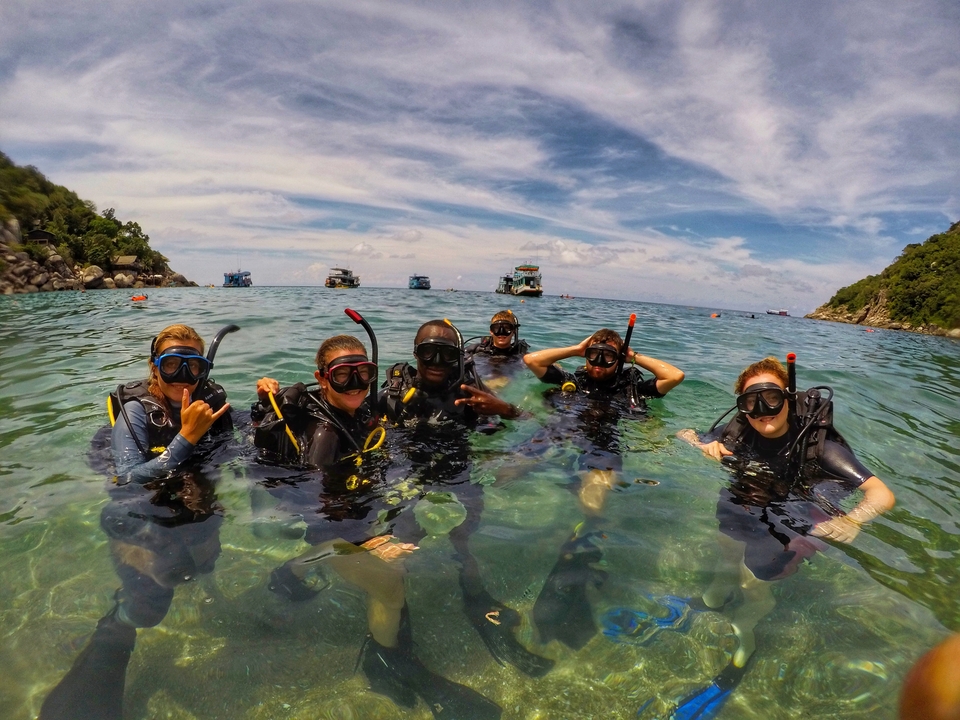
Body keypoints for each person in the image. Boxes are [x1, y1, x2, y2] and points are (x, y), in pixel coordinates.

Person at [251, 330, 503, 720]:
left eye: (363, 373)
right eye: (342, 375)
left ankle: (293, 575)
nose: (355, 384)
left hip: (353, 515)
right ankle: (386, 662)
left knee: (396, 565)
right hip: (332, 529)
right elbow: (318, 513)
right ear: (322, 378)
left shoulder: (352, 413)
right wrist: (369, 543)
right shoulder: (326, 434)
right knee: (390, 584)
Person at [673, 356, 895, 718]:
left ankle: (746, 641)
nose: (762, 411)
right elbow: (685, 433)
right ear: (741, 407)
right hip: (747, 499)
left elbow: (881, 494)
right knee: (726, 549)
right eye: (750, 402)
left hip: (796, 515)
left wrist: (854, 520)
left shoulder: (820, 448)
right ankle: (711, 600)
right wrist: (702, 447)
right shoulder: (740, 431)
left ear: (788, 398)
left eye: (771, 398)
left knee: (751, 583)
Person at [40, 324, 235, 720]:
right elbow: (127, 477)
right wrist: (187, 438)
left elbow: (249, 431)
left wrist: (272, 399)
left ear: (204, 371)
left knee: (203, 567)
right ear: (153, 368)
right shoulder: (136, 411)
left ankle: (205, 593)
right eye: (171, 365)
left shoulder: (209, 405)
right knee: (150, 604)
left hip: (195, 509)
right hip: (141, 516)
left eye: (193, 367)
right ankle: (115, 629)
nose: (183, 378)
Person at [377, 319, 554, 682]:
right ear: (415, 354)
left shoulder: (470, 392)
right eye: (428, 353)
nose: (437, 361)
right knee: (401, 542)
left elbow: (535, 424)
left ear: (460, 358)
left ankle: (475, 598)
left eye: (447, 354)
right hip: (408, 470)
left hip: (459, 469)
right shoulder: (396, 391)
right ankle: (393, 626)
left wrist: (503, 409)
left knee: (464, 539)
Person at [522, 326, 684, 650]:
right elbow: (531, 360)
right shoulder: (574, 379)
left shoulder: (632, 386)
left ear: (619, 360)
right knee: (508, 471)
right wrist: (575, 348)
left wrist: (632, 357)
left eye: (608, 357)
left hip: (603, 445)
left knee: (593, 502)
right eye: (593, 355)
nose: (598, 362)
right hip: (562, 434)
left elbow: (675, 375)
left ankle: (580, 543)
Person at [464, 310, 529, 384]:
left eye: (507, 328)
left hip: (502, 380)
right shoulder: (477, 350)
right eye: (496, 328)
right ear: (491, 331)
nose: (501, 332)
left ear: (513, 331)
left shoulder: (520, 355)